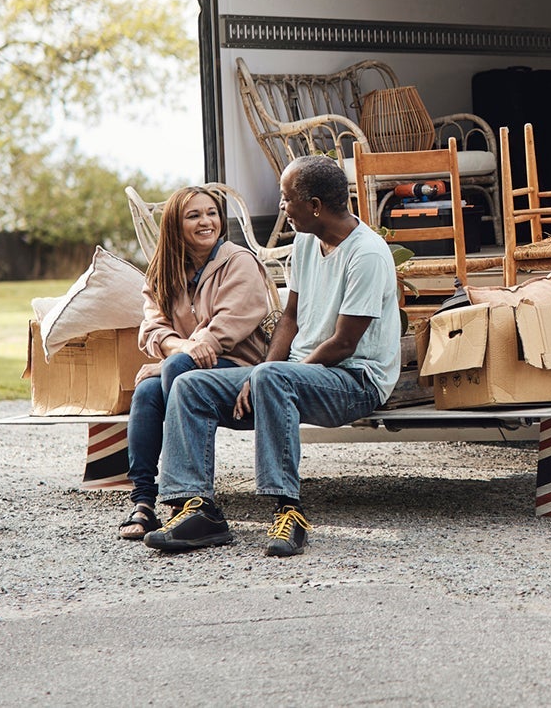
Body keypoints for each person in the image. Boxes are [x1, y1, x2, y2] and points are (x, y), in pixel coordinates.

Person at [144, 155, 400, 558]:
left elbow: (343, 344)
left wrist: (271, 375)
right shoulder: (305, 242)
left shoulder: (366, 254)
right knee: (191, 384)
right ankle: (198, 509)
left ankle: (289, 511)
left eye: (286, 199)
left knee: (271, 377)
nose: (281, 208)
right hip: (298, 374)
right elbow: (291, 317)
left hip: (355, 380)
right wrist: (262, 371)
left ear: (314, 206)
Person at [119, 186, 272, 540]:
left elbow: (229, 326)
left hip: (241, 373)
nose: (207, 221)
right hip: (189, 366)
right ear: (175, 225)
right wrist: (181, 348)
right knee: (146, 390)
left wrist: (176, 357)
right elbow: (152, 328)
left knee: (170, 370)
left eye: (212, 213)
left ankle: (192, 500)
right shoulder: (163, 271)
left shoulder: (239, 261)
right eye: (194, 215)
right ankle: (144, 502)